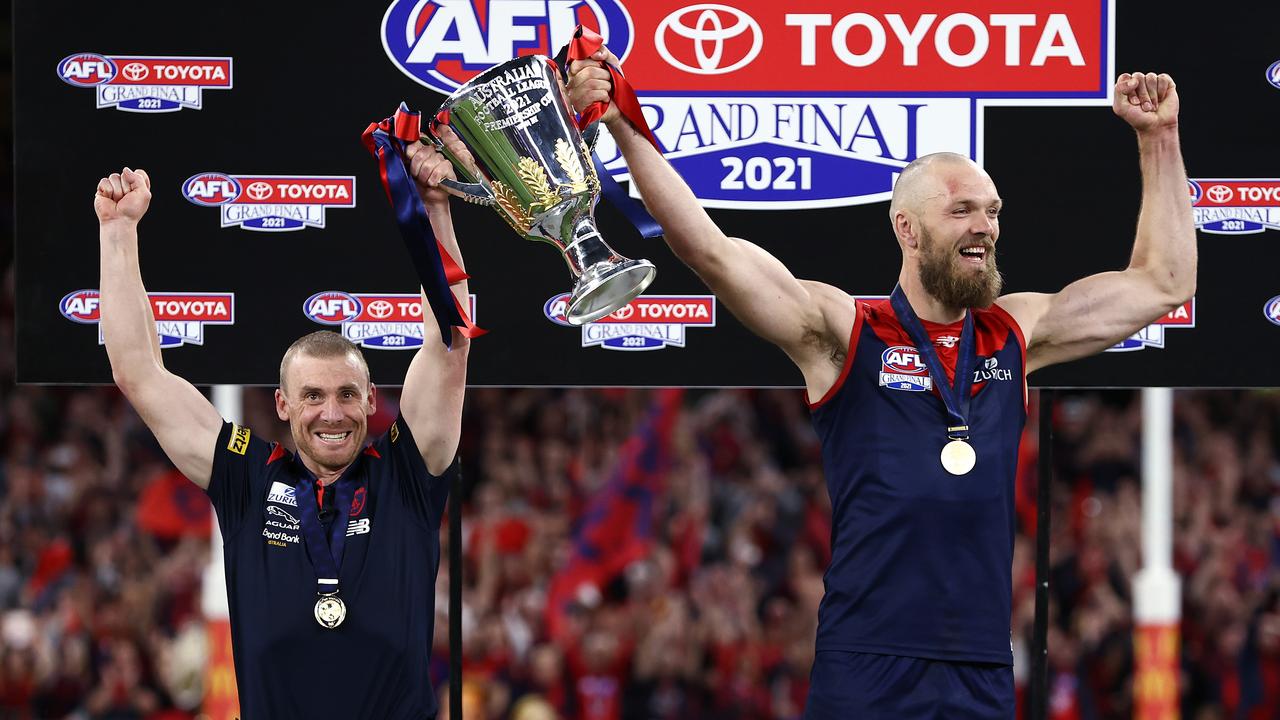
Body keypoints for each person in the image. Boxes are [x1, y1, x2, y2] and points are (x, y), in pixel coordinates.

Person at [567, 55, 1195, 717]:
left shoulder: (1016, 331)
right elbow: (712, 251)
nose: (986, 226)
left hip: (981, 668)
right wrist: (623, 126)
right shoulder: (845, 330)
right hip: (866, 664)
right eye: (962, 211)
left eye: (992, 210)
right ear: (908, 229)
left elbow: (1164, 283)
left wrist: (1160, 140)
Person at [94, 136, 473, 719]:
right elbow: (138, 372)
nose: (332, 412)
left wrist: (435, 212)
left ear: (372, 400)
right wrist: (118, 232)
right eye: (313, 396)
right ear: (283, 405)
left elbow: (448, 343)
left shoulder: (407, 472)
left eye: (348, 394)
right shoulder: (247, 476)